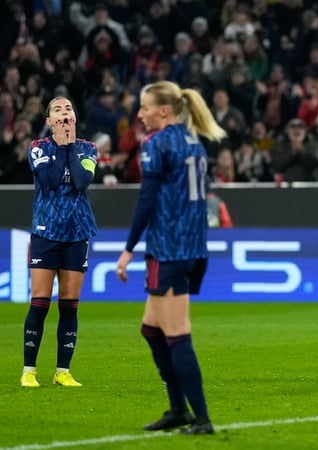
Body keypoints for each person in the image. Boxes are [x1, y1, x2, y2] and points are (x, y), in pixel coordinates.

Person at [115, 81, 226, 434]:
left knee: (177, 335)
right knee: (151, 329)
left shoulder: (157, 143)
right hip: (193, 248)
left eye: (145, 107)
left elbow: (146, 200)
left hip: (170, 249)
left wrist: (128, 248)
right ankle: (178, 409)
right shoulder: (193, 142)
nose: (140, 114)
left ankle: (202, 418)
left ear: (164, 110)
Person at [21, 96, 98, 388]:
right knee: (40, 302)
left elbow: (81, 181)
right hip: (46, 231)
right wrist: (63, 146)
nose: (64, 113)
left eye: (68, 108)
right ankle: (29, 370)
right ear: (49, 121)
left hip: (77, 233)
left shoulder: (89, 149)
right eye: (57, 110)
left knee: (69, 305)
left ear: (75, 117)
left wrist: (70, 146)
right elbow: (51, 180)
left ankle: (62, 371)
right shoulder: (38, 148)